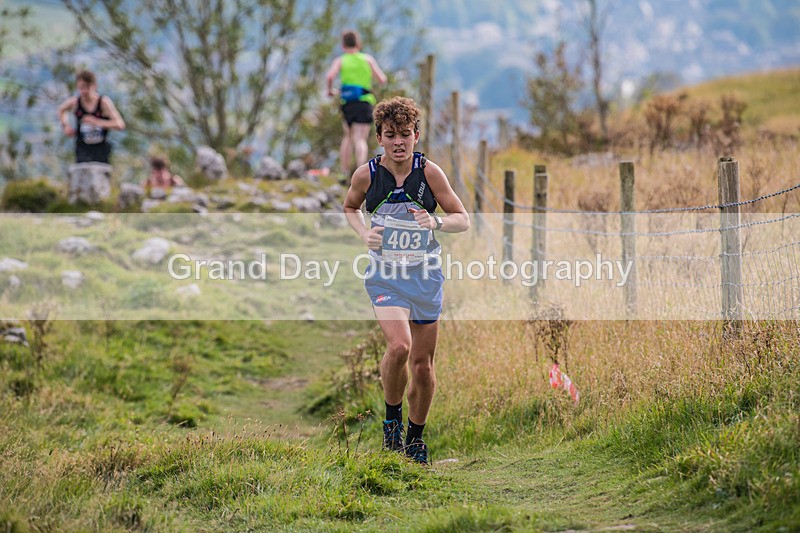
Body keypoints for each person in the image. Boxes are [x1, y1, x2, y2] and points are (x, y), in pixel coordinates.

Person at [342, 97, 470, 464]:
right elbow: (350, 207)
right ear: (379, 138)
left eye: (405, 134)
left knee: (423, 366)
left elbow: (463, 218)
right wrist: (363, 233)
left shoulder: (429, 173)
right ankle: (391, 423)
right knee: (399, 347)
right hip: (385, 277)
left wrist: (437, 222)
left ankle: (415, 439)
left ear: (416, 135)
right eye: (390, 135)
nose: (399, 142)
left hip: (425, 277)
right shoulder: (366, 175)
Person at [325, 30, 387, 178]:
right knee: (360, 138)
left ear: (343, 45)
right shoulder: (367, 59)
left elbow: (329, 76)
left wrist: (330, 91)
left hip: (347, 103)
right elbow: (382, 79)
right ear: (358, 44)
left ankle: (344, 172)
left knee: (347, 136)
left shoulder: (341, 60)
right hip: (364, 101)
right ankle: (361, 173)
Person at [57, 70, 125, 164]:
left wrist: (96, 122)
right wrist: (65, 126)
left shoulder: (103, 102)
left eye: (87, 87)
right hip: (82, 149)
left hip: (101, 150)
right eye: (81, 87)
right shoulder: (75, 102)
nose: (84, 91)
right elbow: (61, 110)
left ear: (94, 86)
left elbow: (120, 124)